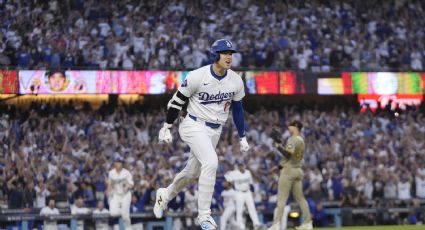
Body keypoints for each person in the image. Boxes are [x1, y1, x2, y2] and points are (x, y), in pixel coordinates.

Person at [154, 39, 249, 230]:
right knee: (211, 162)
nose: (229, 56)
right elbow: (177, 101)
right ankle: (204, 216)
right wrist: (166, 126)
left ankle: (165, 194)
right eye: (224, 53)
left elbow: (238, 110)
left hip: (215, 130)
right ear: (215, 55)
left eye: (231, 53)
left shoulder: (236, 80)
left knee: (192, 173)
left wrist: (242, 136)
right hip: (192, 124)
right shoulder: (198, 75)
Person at [269, 121, 313, 230]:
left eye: (291, 125)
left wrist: (278, 146)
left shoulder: (293, 139)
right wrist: (279, 166)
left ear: (296, 127)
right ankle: (308, 223)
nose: (289, 127)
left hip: (288, 172)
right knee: (301, 198)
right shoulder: (301, 140)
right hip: (297, 170)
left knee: (282, 198)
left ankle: (276, 224)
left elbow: (288, 154)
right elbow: (292, 158)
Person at [225, 160, 262, 229]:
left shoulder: (248, 172)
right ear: (238, 166)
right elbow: (226, 177)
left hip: (247, 192)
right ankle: (240, 226)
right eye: (239, 166)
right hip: (239, 193)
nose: (241, 167)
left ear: (244, 165)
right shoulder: (234, 173)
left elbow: (251, 183)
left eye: (242, 165)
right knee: (239, 210)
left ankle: (256, 223)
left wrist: (253, 192)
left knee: (252, 208)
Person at [106, 156, 134, 230]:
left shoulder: (126, 172)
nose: (118, 164)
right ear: (114, 163)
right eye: (117, 162)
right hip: (116, 194)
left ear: (122, 164)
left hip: (125, 194)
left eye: (119, 162)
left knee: (125, 216)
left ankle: (128, 228)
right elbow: (109, 184)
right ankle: (123, 210)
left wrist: (127, 187)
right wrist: (108, 191)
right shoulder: (111, 173)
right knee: (112, 213)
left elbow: (131, 183)